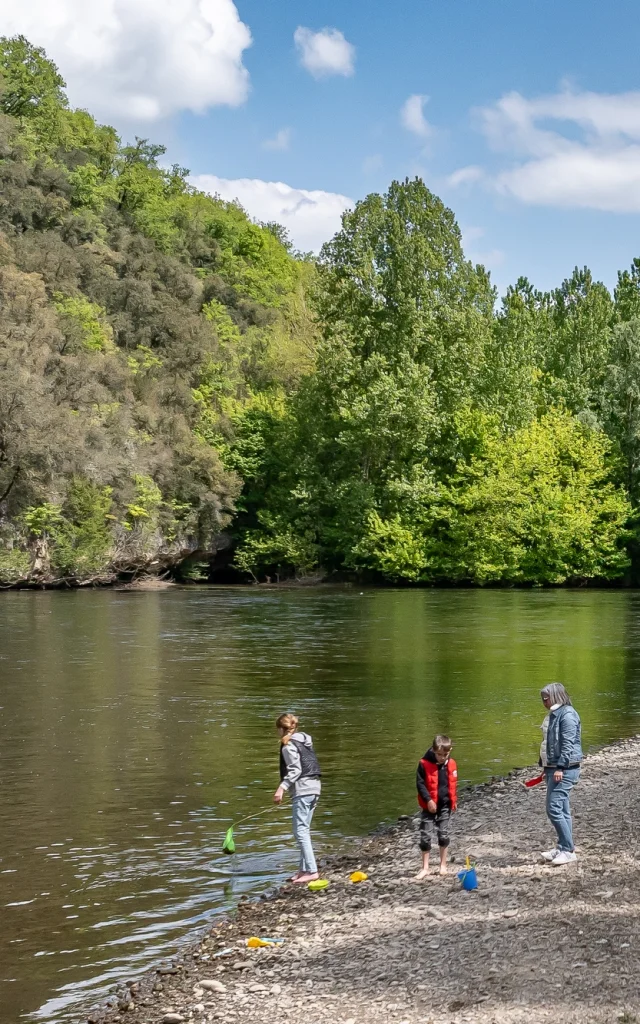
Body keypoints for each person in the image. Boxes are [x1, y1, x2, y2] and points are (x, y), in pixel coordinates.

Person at [273, 713, 322, 884]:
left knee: (300, 831)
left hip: (303, 789)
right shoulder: (305, 741)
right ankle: (303, 870)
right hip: (315, 787)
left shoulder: (288, 746)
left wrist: (281, 789)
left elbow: (295, 770)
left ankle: (312, 871)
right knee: (304, 830)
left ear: (281, 729)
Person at [539, 683, 583, 866]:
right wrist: (545, 767)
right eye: (542, 698)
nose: (543, 702)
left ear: (556, 696)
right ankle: (563, 846)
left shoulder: (568, 715)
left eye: (546, 698)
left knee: (554, 808)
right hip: (553, 768)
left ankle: (568, 849)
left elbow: (568, 744)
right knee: (562, 809)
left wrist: (560, 768)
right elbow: (547, 743)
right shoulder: (554, 714)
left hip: (565, 768)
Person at [415, 734, 458, 879]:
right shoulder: (424, 764)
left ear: (450, 750)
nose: (442, 757)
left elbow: (452, 784)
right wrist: (428, 800)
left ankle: (443, 865)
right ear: (433, 751)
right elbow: (420, 785)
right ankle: (425, 867)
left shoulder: (451, 763)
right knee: (425, 835)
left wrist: (454, 800)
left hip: (445, 805)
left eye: (445, 754)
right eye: (439, 754)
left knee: (443, 834)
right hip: (429, 806)